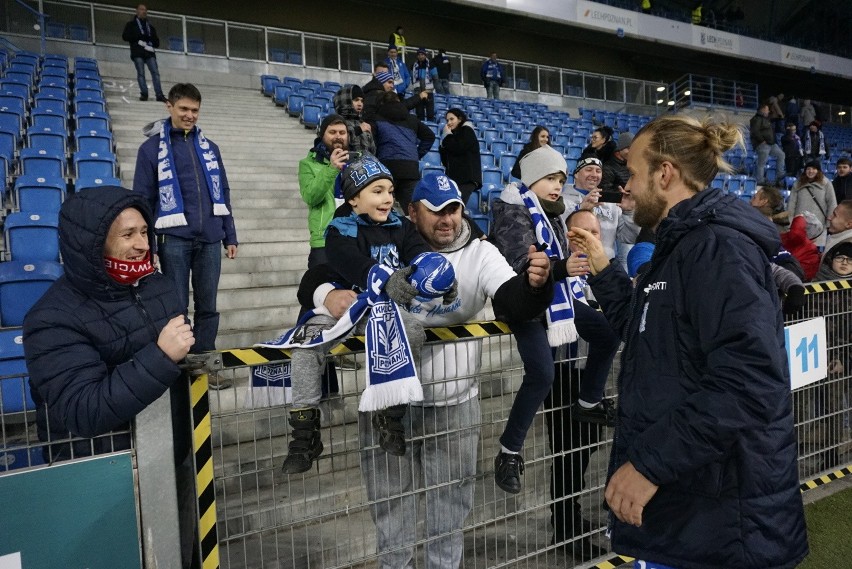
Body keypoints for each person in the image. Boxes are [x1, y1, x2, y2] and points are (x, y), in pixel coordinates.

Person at [567, 114, 808, 569]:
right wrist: (602, 265)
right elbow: (647, 334)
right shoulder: (682, 245)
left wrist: (650, 466)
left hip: (723, 524)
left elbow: (748, 381)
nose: (626, 187)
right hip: (694, 512)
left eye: (633, 174)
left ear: (665, 173)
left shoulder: (717, 248)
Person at [297, 172, 553, 568]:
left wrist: (536, 286)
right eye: (435, 212)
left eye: (454, 210)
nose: (447, 220)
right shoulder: (393, 240)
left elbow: (513, 301)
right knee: (389, 512)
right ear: (412, 212)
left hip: (454, 405)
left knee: (450, 513)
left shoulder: (480, 252)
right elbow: (318, 271)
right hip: (388, 402)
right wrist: (326, 293)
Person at [23, 186, 197, 568]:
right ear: (92, 243)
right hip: (100, 475)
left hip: (171, 457)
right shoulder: (51, 319)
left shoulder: (159, 285)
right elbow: (82, 410)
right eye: (127, 235)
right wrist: (160, 355)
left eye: (145, 232)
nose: (141, 245)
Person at [280, 156, 439, 474]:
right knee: (306, 344)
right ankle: (304, 433)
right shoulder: (340, 228)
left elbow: (421, 254)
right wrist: (381, 276)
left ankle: (390, 414)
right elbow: (346, 259)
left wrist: (439, 276)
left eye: (391, 191)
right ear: (353, 198)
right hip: (340, 306)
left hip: (380, 310)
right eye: (378, 191)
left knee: (413, 331)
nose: (388, 198)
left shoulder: (402, 226)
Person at [490, 146, 617, 496]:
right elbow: (522, 265)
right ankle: (508, 452)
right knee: (542, 373)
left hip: (556, 297)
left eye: (561, 179)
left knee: (606, 333)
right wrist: (562, 268)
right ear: (530, 179)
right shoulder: (513, 213)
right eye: (549, 178)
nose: (557, 185)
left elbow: (559, 263)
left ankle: (588, 401)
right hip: (523, 301)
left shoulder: (554, 214)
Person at [133, 83, 238, 353]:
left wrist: (230, 235)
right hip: (173, 239)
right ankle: (181, 361)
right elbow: (142, 200)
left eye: (195, 110)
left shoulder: (210, 147)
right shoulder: (150, 149)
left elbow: (223, 192)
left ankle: (203, 359)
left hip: (211, 239)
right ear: (169, 106)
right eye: (184, 109)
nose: (189, 115)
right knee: (177, 308)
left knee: (208, 307)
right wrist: (149, 246)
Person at [562, 156, 639, 262]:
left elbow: (629, 238)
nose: (594, 174)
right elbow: (558, 231)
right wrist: (579, 209)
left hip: (604, 267)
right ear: (576, 174)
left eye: (598, 171)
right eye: (588, 170)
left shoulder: (610, 203)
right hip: (573, 266)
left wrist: (629, 212)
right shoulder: (562, 199)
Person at [297, 114, 349, 267]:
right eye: (332, 132)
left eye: (342, 132)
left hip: (356, 238)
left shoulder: (358, 161)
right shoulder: (307, 164)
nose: (338, 136)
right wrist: (332, 168)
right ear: (322, 135)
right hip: (324, 240)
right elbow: (311, 196)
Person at [370, 91, 435, 210]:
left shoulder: (376, 118)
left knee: (383, 210)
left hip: (387, 168)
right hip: (410, 169)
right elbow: (430, 136)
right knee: (412, 212)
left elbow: (372, 144)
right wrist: (417, 155)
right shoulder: (412, 119)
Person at [787, 159, 837, 249]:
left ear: (818, 171)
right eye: (808, 169)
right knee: (799, 249)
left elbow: (832, 203)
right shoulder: (798, 184)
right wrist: (790, 221)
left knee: (815, 251)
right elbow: (791, 204)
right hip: (800, 223)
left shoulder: (826, 184)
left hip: (818, 225)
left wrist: (829, 224)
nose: (810, 171)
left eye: (814, 169)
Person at [121, 4, 165, 102]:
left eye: (145, 10)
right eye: (141, 9)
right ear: (136, 11)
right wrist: (138, 37)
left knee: (155, 73)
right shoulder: (131, 24)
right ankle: (144, 93)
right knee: (141, 73)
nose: (144, 12)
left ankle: (159, 94)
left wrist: (149, 39)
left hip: (149, 52)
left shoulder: (150, 27)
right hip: (137, 51)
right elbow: (125, 37)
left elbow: (157, 43)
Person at [439, 108, 481, 205]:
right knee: (454, 208)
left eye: (451, 119)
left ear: (460, 119)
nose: (449, 122)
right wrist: (443, 144)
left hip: (466, 179)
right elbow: (446, 162)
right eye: (447, 120)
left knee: (457, 207)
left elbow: (459, 148)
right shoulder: (453, 136)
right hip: (455, 179)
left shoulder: (467, 130)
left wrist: (448, 136)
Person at [333, 84, 375, 156]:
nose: (360, 104)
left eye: (362, 101)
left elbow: (372, 151)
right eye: (356, 100)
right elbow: (337, 143)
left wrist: (370, 136)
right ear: (345, 101)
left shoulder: (362, 123)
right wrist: (358, 130)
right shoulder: (335, 122)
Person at [750, 102, 786, 185]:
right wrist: (762, 140)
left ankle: (780, 174)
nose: (768, 111)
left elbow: (775, 117)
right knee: (762, 163)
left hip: (771, 144)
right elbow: (754, 131)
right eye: (767, 110)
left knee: (781, 154)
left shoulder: (766, 119)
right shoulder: (756, 119)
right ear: (762, 110)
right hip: (763, 144)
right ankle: (760, 180)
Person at [409, 47, 436, 122]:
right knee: (419, 113)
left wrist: (435, 88)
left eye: (422, 54)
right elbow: (412, 77)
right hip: (418, 92)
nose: (421, 56)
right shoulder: (413, 65)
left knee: (430, 113)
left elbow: (435, 77)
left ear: (425, 55)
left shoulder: (431, 64)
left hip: (428, 91)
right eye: (419, 54)